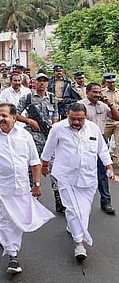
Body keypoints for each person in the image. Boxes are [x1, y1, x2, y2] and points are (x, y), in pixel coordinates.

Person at [0, 103, 54, 274]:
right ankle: (13, 256)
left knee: (15, 219)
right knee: (8, 218)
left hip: (21, 186)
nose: (0, 119)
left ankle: (4, 238)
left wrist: (36, 185)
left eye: (4, 116)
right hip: (1, 187)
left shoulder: (25, 136)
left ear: (14, 117)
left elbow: (34, 162)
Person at [41, 103, 114, 260]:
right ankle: (79, 243)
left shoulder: (93, 128)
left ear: (85, 117)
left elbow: (102, 149)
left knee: (84, 210)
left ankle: (73, 228)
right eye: (72, 119)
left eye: (79, 119)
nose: (75, 122)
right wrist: (44, 164)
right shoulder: (58, 128)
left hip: (88, 177)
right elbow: (49, 148)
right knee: (73, 210)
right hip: (66, 176)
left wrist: (109, 166)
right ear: (67, 116)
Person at [16, 73, 65, 213]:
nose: (42, 83)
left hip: (49, 137)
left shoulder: (52, 98)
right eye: (39, 81)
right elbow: (16, 114)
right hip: (33, 137)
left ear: (48, 83)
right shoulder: (28, 97)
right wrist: (29, 121)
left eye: (44, 81)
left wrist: (54, 129)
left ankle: (59, 199)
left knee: (54, 168)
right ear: (35, 83)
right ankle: (32, 197)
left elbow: (56, 115)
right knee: (32, 167)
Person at [78, 83, 119, 214]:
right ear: (87, 92)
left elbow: (116, 117)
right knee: (81, 173)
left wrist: (110, 104)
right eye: (94, 92)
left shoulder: (103, 105)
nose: (97, 95)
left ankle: (106, 202)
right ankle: (79, 203)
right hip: (83, 143)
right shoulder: (80, 105)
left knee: (102, 173)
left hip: (100, 141)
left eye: (99, 92)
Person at [102, 73, 119, 155]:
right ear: (106, 82)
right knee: (102, 144)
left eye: (113, 82)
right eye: (109, 82)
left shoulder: (118, 92)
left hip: (117, 122)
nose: (112, 84)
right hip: (105, 122)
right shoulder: (101, 93)